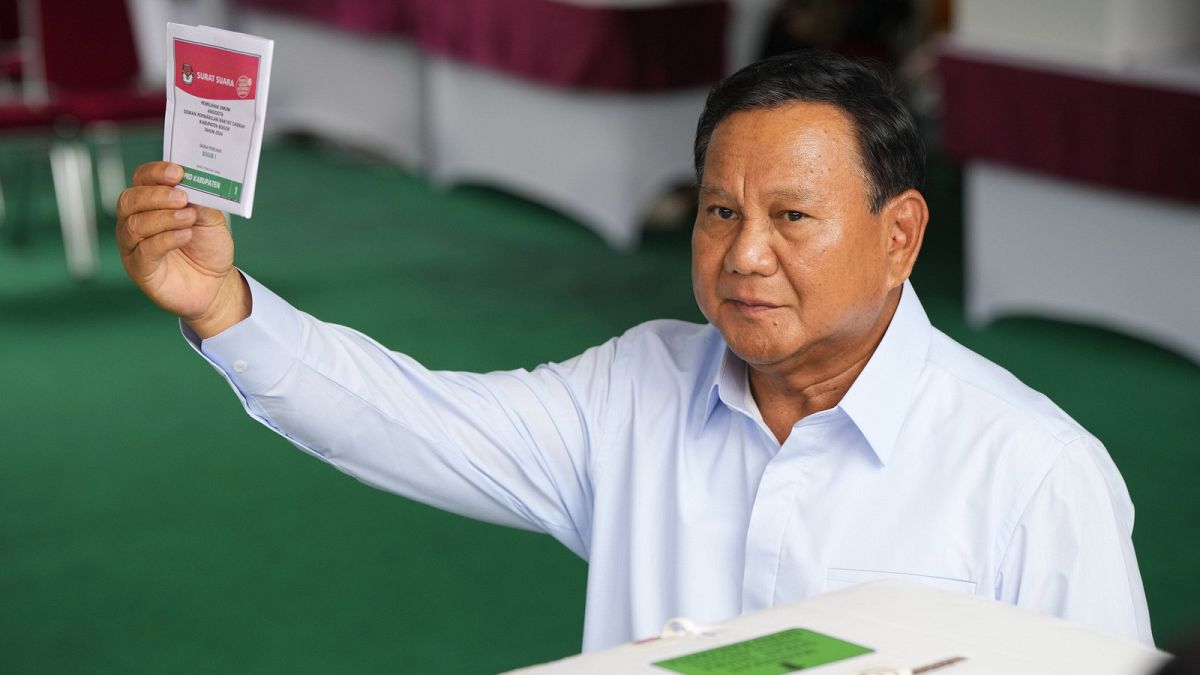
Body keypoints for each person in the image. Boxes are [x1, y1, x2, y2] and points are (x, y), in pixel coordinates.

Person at [116, 50, 1153, 651]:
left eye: (792, 216)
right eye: (717, 211)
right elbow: (414, 422)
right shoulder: (634, 389)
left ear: (901, 236)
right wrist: (225, 306)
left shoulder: (1034, 474)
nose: (744, 255)